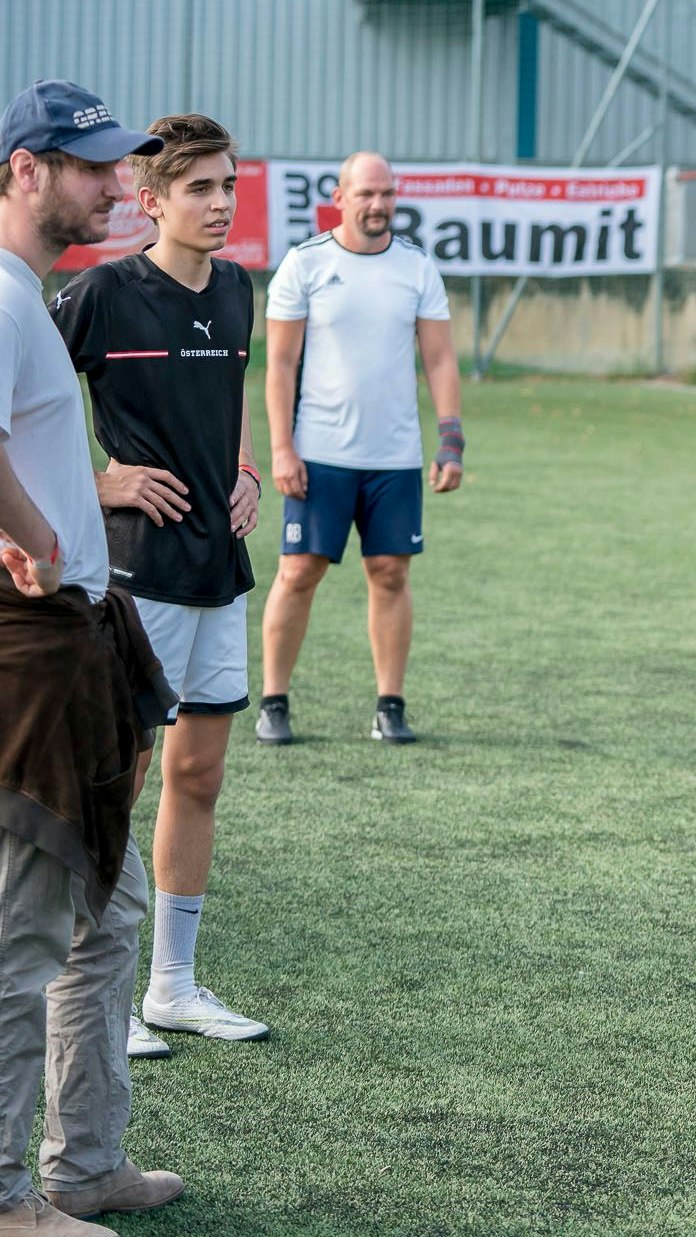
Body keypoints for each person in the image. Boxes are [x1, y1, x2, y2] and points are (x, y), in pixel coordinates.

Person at [0, 78, 186, 1236]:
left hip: (82, 631)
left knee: (107, 912)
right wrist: (35, 540)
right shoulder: (2, 295)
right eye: (93, 168)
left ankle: (87, 1162)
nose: (120, 186)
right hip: (31, 649)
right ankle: (9, 1195)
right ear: (24, 169)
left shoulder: (30, 295)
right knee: (24, 931)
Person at [49, 113, 271, 1058]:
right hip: (135, 575)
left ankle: (174, 987)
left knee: (200, 774)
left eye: (228, 186)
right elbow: (28, 409)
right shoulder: (99, 291)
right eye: (201, 189)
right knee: (120, 779)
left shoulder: (236, 289)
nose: (222, 205)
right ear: (150, 202)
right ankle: (90, 985)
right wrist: (101, 480)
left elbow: (226, 406)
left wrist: (248, 468)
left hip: (218, 567)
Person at [256, 151, 463, 746]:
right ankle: (274, 701)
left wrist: (451, 441)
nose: (378, 205)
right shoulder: (305, 264)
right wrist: (282, 448)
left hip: (394, 457)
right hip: (318, 453)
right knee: (298, 572)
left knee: (391, 573)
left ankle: (389, 706)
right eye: (366, 193)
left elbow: (441, 358)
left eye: (387, 194)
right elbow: (281, 365)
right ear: (340, 197)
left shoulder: (417, 268)